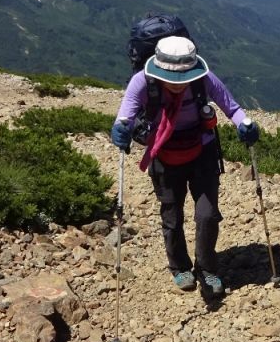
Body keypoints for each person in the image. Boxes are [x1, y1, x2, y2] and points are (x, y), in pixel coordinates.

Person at [111, 35, 260, 295]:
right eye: (172, 79)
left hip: (201, 150)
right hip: (164, 154)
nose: (178, 84)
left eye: (183, 78)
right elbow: (125, 115)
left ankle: (207, 268)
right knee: (172, 215)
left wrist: (244, 124)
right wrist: (121, 128)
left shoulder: (203, 80)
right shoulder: (141, 83)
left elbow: (231, 107)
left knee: (207, 214)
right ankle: (180, 267)